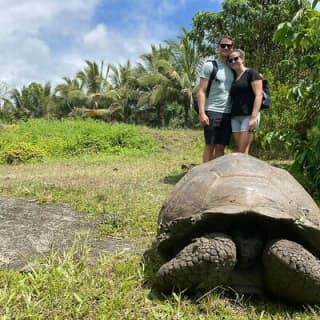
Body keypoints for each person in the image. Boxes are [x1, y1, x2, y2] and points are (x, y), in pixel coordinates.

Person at [197, 36, 235, 162]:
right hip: (212, 111)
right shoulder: (210, 66)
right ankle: (204, 176)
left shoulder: (233, 67)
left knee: (220, 147)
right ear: (218, 47)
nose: (226, 48)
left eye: (229, 46)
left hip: (228, 113)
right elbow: (201, 91)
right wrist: (202, 113)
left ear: (232, 48)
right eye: (223, 45)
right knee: (210, 145)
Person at [228, 49, 263, 155]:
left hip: (248, 116)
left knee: (241, 151)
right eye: (230, 60)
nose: (233, 61)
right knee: (243, 151)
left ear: (242, 59)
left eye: (236, 58)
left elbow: (259, 95)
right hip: (235, 117)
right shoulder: (234, 78)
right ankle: (244, 171)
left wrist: (253, 118)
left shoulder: (251, 73)